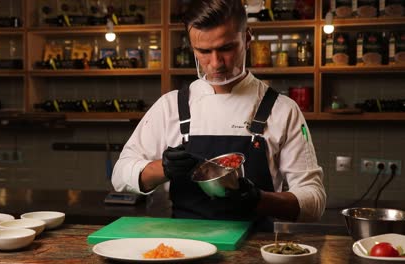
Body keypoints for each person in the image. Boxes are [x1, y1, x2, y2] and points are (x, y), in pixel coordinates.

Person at [112, 0, 326, 229]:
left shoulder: (283, 110)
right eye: (203, 51)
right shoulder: (171, 106)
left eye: (226, 48)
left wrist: (261, 200)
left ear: (247, 38)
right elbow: (120, 177)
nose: (215, 63)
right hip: (184, 246)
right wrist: (162, 168)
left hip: (254, 249)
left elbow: (314, 201)